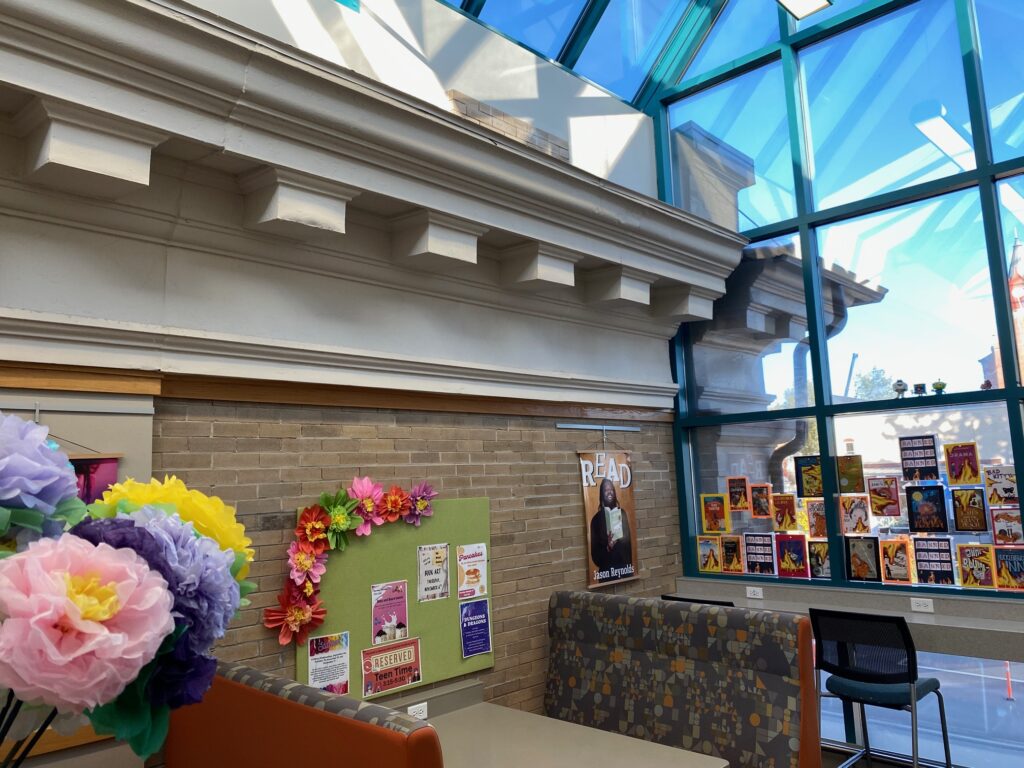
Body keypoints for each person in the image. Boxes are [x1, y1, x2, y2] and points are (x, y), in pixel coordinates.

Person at [590, 478, 633, 579]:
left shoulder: (622, 514)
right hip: (607, 572)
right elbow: (595, 556)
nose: (609, 492)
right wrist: (608, 547)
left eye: (611, 489)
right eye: (606, 490)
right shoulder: (595, 520)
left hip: (624, 569)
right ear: (601, 494)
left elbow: (629, 545)